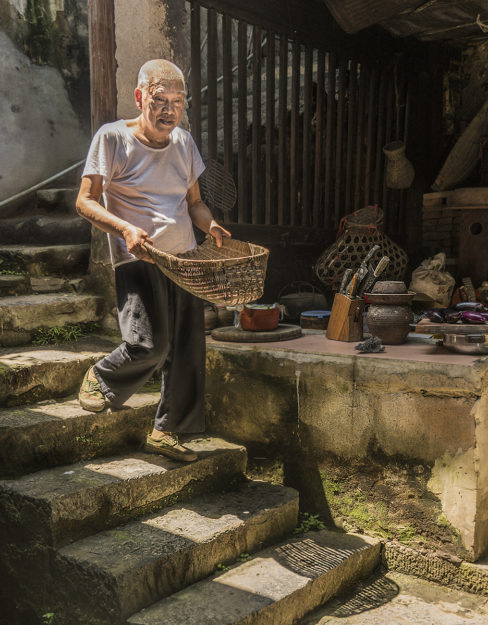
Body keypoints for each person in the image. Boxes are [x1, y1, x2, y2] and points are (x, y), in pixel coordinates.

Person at [76, 59, 230, 462]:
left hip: (184, 259)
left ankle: (167, 431)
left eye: (177, 102)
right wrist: (125, 230)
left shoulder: (184, 142)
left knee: (187, 351)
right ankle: (103, 375)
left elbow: (194, 204)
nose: (168, 110)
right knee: (149, 344)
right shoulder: (112, 139)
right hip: (139, 257)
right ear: (140, 97)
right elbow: (85, 201)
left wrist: (210, 224)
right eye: (160, 100)